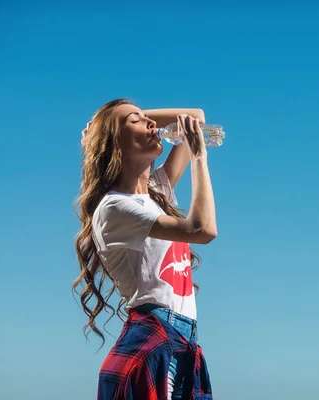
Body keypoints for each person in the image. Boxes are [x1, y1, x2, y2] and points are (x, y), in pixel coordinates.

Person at [74, 98, 217, 400]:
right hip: (152, 339)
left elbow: (196, 117)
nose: (151, 124)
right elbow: (202, 230)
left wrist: (136, 118)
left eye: (146, 117)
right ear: (114, 142)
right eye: (135, 121)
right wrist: (199, 157)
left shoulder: (157, 192)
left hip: (183, 342)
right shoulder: (114, 208)